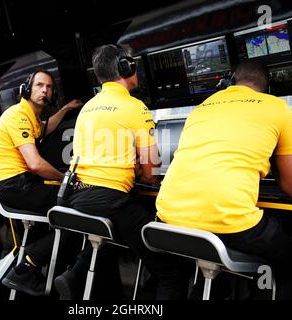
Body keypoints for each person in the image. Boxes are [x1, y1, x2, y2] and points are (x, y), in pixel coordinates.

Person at [156, 60, 292, 299]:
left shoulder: (202, 107)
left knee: (211, 259)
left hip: (167, 219)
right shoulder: (277, 107)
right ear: (268, 89)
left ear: (231, 81)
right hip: (226, 219)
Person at [54, 44, 190, 300]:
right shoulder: (135, 107)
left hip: (75, 197)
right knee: (171, 272)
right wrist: (145, 173)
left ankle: (75, 275)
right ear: (126, 68)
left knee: (109, 235)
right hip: (109, 200)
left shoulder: (87, 108)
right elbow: (151, 173)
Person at [0, 69, 83, 296]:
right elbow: (36, 165)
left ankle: (41, 271)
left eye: (49, 87)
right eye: (39, 85)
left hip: (18, 183)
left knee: (65, 212)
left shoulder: (31, 117)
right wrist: (65, 180)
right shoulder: (18, 115)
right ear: (27, 88)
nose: (44, 90)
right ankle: (25, 270)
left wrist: (66, 109)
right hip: (11, 184)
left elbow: (44, 128)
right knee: (75, 214)